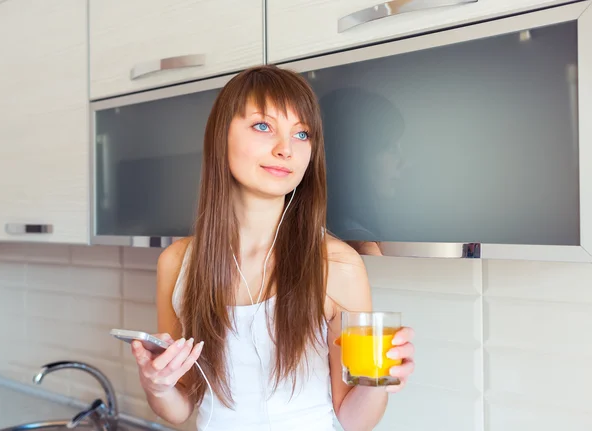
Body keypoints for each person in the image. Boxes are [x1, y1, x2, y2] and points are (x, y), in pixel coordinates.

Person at [129, 65, 415, 431]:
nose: (286, 149)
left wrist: (380, 381)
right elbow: (181, 405)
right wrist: (157, 384)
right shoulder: (177, 263)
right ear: (221, 137)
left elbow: (353, 420)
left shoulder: (335, 263)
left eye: (302, 134)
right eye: (263, 126)